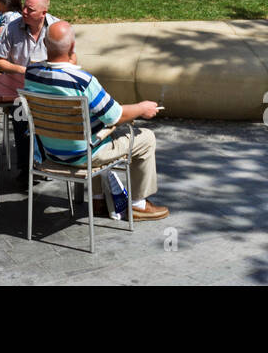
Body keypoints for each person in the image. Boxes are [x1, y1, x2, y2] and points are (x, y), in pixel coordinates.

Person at [24, 21, 169, 220]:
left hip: (50, 154)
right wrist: (142, 108)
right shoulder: (83, 81)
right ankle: (138, 204)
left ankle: (98, 200)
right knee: (146, 138)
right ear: (73, 47)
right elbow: (115, 116)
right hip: (84, 156)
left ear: (45, 45)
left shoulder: (31, 75)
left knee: (93, 129)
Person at [0, 0, 58, 75]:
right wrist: (24, 71)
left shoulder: (57, 29)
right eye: (24, 7)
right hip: (16, 83)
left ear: (43, 13)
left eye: (30, 10)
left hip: (47, 83)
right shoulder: (11, 28)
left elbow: (71, 59)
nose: (24, 12)